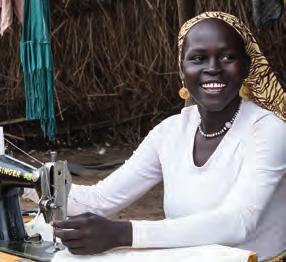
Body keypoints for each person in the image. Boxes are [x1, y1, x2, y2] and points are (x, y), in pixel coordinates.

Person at [24, 11, 286, 261]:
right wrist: (29, 184)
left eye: (227, 57)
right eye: (198, 58)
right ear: (182, 71)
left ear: (246, 67)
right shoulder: (170, 132)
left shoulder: (268, 130)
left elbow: (237, 221)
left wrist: (123, 233)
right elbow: (101, 200)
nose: (213, 68)